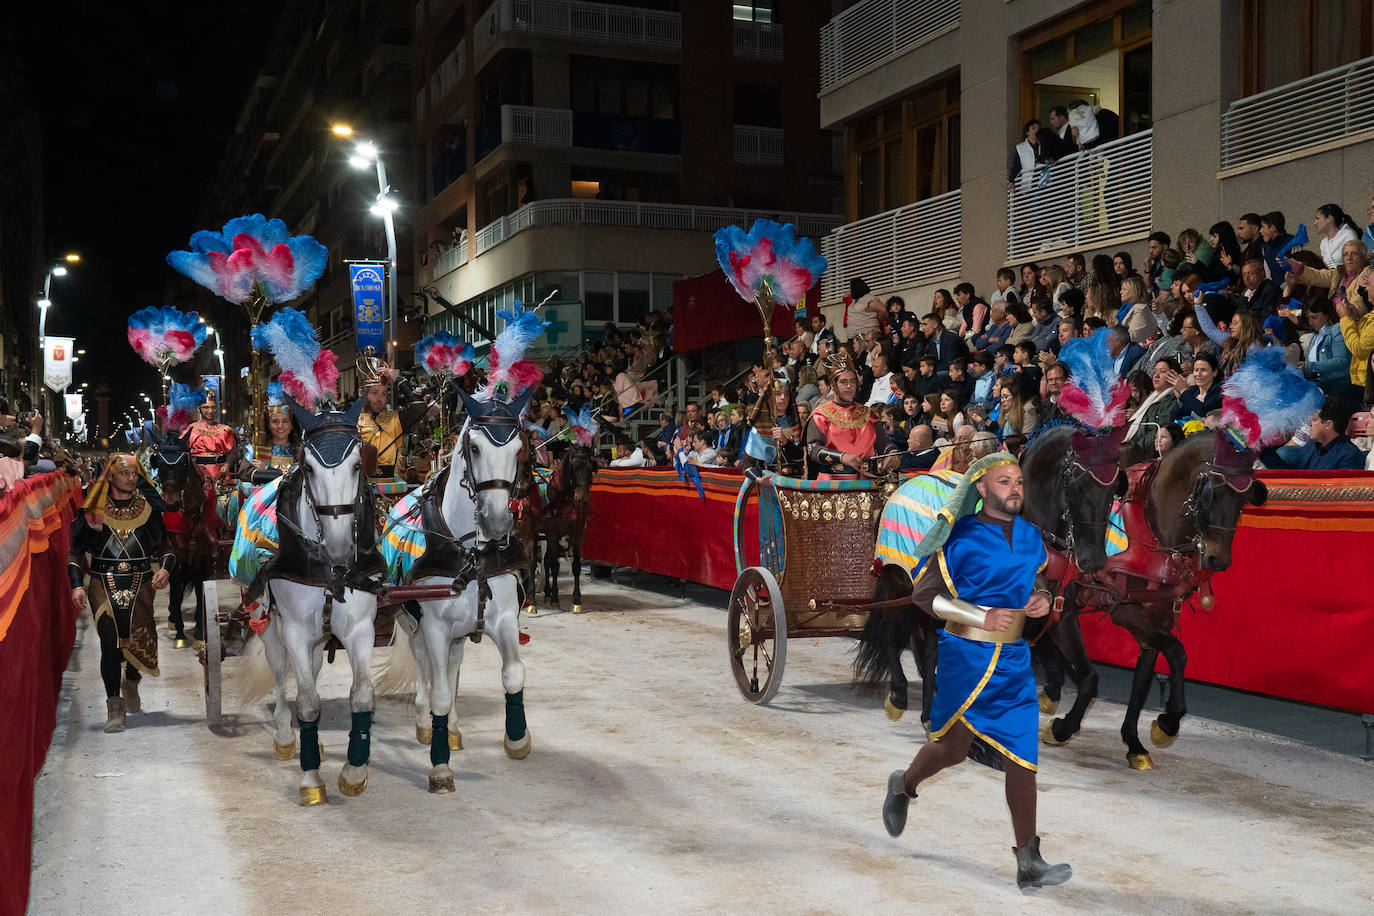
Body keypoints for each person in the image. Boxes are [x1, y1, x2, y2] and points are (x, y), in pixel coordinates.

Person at [881, 454, 1072, 890]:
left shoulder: (1030, 536)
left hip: (1013, 662)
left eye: (1019, 481)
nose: (1015, 489)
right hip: (964, 657)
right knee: (951, 750)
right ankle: (903, 784)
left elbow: (1033, 581)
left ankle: (1029, 860)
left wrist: (1040, 596)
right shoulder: (957, 536)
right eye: (1004, 482)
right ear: (982, 489)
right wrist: (980, 614)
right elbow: (924, 597)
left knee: (1023, 757)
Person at [69, 454, 174, 733]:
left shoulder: (149, 509)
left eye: (134, 473)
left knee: (137, 639)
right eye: (125, 473)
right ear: (111, 476)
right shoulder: (92, 511)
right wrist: (76, 585)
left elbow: (165, 546)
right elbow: (75, 552)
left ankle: (132, 679)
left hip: (141, 582)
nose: (131, 477)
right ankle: (114, 707)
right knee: (109, 641)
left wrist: (164, 569)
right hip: (102, 582)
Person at [806, 349, 899, 478]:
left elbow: (884, 443)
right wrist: (841, 457)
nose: (849, 386)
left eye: (853, 381)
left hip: (868, 481)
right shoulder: (821, 416)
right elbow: (813, 450)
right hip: (833, 484)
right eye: (843, 382)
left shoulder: (868, 414)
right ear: (833, 385)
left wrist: (892, 453)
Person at [1261, 397, 1365, 470]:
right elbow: (1294, 475)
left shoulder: (1348, 456)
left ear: (1328, 424)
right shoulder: (1311, 445)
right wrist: (1264, 451)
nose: (1310, 424)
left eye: (1314, 420)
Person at [187, 388, 236, 480]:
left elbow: (233, 453)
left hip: (220, 474)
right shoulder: (190, 429)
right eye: (206, 407)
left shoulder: (225, 430)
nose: (210, 411)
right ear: (199, 409)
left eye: (213, 407)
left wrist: (227, 465)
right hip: (197, 475)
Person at [1171, 351, 1223, 421]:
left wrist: (1183, 390)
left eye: (1203, 370)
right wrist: (1180, 400)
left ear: (1214, 373)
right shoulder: (1192, 391)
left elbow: (1203, 411)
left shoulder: (1220, 391)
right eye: (1196, 370)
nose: (1198, 374)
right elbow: (1174, 418)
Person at [1315, 204, 1361, 269]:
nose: (1315, 223)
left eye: (1317, 218)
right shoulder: (1323, 243)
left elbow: (1355, 261)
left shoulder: (1348, 235)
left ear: (1329, 218)